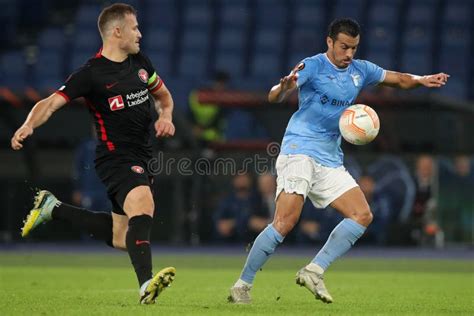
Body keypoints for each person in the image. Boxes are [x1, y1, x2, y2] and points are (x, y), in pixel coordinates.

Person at [228, 18, 449, 304]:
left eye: (353, 48)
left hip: (329, 157)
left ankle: (314, 270)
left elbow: (398, 79)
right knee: (285, 221)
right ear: (329, 42)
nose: (348, 54)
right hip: (300, 149)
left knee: (362, 215)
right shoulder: (313, 65)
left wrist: (421, 80)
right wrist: (283, 89)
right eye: (344, 47)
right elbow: (275, 93)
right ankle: (242, 284)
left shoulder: (361, 70)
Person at [11, 3, 176, 305]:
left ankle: (54, 208)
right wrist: (27, 125)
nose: (140, 33)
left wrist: (166, 116)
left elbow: (164, 96)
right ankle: (145, 287)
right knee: (143, 204)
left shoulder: (140, 62)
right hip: (115, 156)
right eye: (134, 28)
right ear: (117, 31)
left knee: (120, 236)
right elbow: (49, 103)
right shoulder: (91, 74)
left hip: (143, 154)